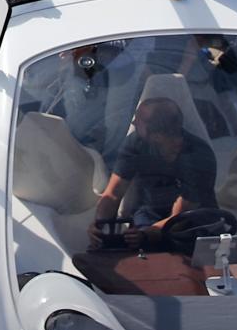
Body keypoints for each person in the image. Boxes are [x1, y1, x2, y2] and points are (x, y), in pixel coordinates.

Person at [90, 97, 218, 249]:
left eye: (138, 122)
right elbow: (113, 193)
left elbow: (182, 214)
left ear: (156, 136)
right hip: (148, 216)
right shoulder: (136, 143)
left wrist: (148, 235)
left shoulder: (199, 155)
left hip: (193, 223)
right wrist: (99, 224)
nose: (133, 124)